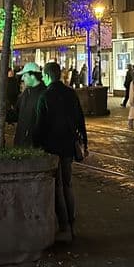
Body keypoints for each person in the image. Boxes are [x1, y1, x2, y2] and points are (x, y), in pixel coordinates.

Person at [34, 62, 88, 241]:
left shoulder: (45, 96)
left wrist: (36, 145)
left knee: (57, 186)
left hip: (52, 146)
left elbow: (40, 125)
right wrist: (84, 142)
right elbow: (80, 119)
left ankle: (64, 226)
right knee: (68, 184)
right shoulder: (70, 93)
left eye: (44, 75)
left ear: (48, 76)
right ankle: (71, 224)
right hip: (68, 145)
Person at [7, 63, 46, 147]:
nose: (22, 78)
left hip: (34, 146)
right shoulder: (25, 93)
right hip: (21, 142)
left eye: (25, 75)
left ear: (33, 76)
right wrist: (4, 115)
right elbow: (16, 114)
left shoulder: (44, 95)